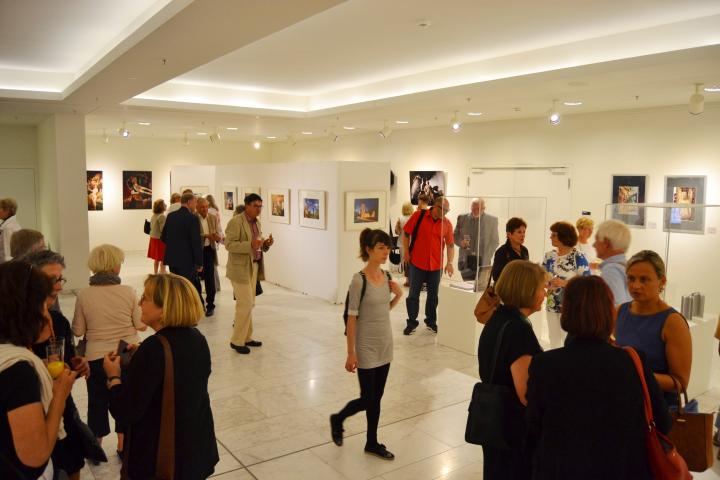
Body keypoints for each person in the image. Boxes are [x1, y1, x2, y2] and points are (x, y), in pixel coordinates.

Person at [526, 275, 671, 480]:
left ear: (567, 311)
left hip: (562, 469)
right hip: (622, 470)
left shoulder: (545, 365)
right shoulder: (632, 361)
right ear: (608, 312)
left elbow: (533, 427)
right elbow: (663, 422)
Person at [103, 274, 219, 479]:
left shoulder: (154, 349)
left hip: (162, 460)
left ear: (164, 307)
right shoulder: (197, 338)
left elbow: (125, 411)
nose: (139, 303)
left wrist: (113, 376)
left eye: (146, 298)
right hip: (195, 450)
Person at [330, 229, 404, 460]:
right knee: (368, 398)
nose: (386, 252)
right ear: (369, 250)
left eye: (387, 247)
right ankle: (339, 418)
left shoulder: (387, 278)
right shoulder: (358, 280)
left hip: (385, 344)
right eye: (381, 247)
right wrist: (350, 353)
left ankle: (371, 442)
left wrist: (398, 296)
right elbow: (352, 318)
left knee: (377, 398)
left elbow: (382, 311)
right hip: (365, 346)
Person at [0, 260, 77, 480]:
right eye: (44, 305)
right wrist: (60, 394)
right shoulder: (18, 371)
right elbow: (35, 458)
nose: (47, 315)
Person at [72, 244, 145, 455]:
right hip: (126, 352)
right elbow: (140, 324)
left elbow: (78, 330)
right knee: (124, 398)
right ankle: (123, 446)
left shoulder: (84, 294)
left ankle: (97, 446)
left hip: (96, 355)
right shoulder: (128, 291)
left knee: (97, 402)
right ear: (114, 266)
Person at [24, 250, 91, 480]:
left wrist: (78, 366)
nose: (59, 287)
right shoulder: (14, 326)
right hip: (29, 412)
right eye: (51, 279)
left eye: (60, 279)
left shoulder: (59, 322)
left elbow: (67, 363)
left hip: (63, 407)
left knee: (72, 465)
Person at [477, 260, 545, 480]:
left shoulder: (498, 319)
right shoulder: (518, 331)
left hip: (495, 422)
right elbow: (526, 393)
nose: (544, 293)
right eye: (541, 288)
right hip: (512, 427)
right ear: (527, 290)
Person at [614, 250, 691, 408]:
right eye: (631, 278)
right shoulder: (621, 311)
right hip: (623, 403)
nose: (636, 286)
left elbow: (680, 383)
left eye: (644, 280)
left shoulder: (673, 322)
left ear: (662, 281)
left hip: (656, 411)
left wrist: (638, 375)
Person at [225, 193, 273, 354]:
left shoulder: (256, 223)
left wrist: (265, 244)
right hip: (239, 269)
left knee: (249, 303)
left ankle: (247, 337)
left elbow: (257, 243)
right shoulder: (235, 222)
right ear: (247, 206)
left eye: (260, 206)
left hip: (254, 267)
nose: (258, 209)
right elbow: (229, 244)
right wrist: (250, 244)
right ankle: (236, 341)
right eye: (255, 206)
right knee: (244, 304)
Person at [402, 196, 455, 335]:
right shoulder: (418, 216)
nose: (445, 213)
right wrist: (406, 252)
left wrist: (449, 262)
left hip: (436, 266)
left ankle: (431, 322)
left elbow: (450, 245)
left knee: (433, 296)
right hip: (417, 263)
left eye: (447, 211)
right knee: (413, 294)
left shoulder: (447, 224)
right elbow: (406, 234)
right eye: (443, 210)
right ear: (435, 206)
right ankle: (412, 322)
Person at [542, 221, 591, 348]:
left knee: (568, 341)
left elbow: (587, 282)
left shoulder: (578, 257)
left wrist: (564, 283)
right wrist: (547, 284)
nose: (550, 237)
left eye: (553, 235)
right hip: (552, 304)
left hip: (571, 306)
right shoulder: (549, 256)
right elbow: (541, 278)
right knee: (554, 340)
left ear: (563, 237)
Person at [161, 192, 203, 300]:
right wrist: (199, 262)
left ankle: (176, 310)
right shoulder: (192, 218)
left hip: (172, 258)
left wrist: (175, 245)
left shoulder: (171, 216)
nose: (196, 205)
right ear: (189, 202)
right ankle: (184, 312)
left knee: (175, 287)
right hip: (187, 261)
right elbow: (196, 242)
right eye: (195, 203)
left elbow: (163, 237)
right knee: (186, 287)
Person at [454, 198, 499, 281]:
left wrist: (486, 257)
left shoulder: (492, 220)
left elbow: (495, 241)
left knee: (480, 290)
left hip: (483, 262)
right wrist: (461, 243)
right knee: (467, 289)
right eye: (473, 208)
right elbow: (455, 236)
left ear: (484, 208)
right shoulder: (462, 218)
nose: (475, 211)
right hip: (465, 261)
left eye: (478, 209)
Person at [593, 219, 632, 306]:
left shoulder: (611, 270)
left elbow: (616, 307)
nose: (594, 245)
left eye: (596, 240)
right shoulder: (625, 266)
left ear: (606, 243)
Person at [196, 197, 222, 316]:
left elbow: (218, 232)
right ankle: (199, 303)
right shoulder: (193, 219)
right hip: (196, 251)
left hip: (209, 250)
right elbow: (193, 236)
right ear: (197, 207)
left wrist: (217, 237)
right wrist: (206, 235)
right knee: (196, 279)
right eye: (202, 207)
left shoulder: (212, 217)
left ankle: (210, 304)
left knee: (210, 278)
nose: (205, 209)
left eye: (206, 206)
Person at [490, 217, 529, 283]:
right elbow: (496, 276)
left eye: (524, 232)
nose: (523, 235)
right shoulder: (502, 252)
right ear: (509, 234)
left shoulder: (525, 250)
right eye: (519, 232)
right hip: (506, 291)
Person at [205, 194, 224, 292]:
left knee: (212, 265)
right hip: (216, 237)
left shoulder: (210, 212)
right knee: (213, 264)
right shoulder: (216, 210)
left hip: (212, 238)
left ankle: (215, 286)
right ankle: (216, 286)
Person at [394, 201, 414, 286]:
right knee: (413, 262)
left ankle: (407, 280)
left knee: (404, 261)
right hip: (412, 242)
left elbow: (397, 232)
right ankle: (413, 279)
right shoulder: (413, 218)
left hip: (402, 243)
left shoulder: (400, 218)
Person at [148, 199, 167, 274]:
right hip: (160, 240)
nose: (166, 205)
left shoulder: (154, 215)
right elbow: (163, 230)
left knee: (157, 258)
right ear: (161, 207)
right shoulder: (162, 216)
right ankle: (162, 273)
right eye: (164, 204)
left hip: (153, 238)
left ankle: (155, 273)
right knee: (163, 258)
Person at [0, 197, 21, 262]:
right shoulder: (12, 224)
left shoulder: (8, 227)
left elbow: (8, 254)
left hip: (7, 265)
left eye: (0, 208)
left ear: (7, 211)